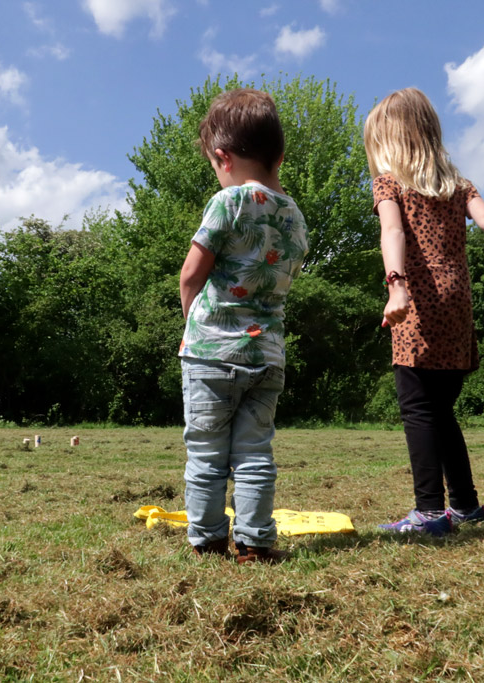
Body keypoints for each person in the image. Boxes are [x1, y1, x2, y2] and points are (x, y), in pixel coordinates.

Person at [363, 87, 484, 536]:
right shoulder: (456, 184)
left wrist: (397, 286)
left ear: (389, 139)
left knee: (419, 410)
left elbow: (393, 232)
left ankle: (429, 511)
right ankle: (466, 506)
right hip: (458, 306)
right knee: (442, 409)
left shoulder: (389, 182)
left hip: (419, 306)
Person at [178, 88, 308, 564]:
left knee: (207, 456)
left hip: (211, 354)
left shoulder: (229, 201)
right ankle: (254, 543)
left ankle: (209, 541)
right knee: (255, 454)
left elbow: (191, 275)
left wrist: (194, 324)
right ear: (280, 155)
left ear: (222, 156)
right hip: (267, 356)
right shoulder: (295, 216)